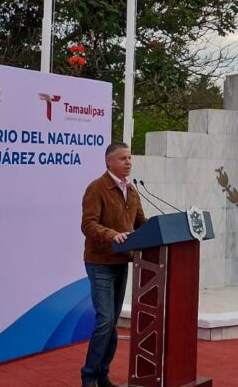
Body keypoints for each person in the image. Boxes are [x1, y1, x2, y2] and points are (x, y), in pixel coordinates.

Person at [80, 141, 146, 387]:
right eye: (122, 158)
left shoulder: (133, 190)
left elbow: (141, 224)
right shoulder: (97, 188)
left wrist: (162, 230)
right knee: (105, 320)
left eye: (129, 158)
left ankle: (102, 374)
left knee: (113, 323)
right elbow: (88, 224)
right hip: (100, 263)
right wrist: (111, 235)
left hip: (122, 262)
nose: (128, 162)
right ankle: (88, 377)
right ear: (109, 161)